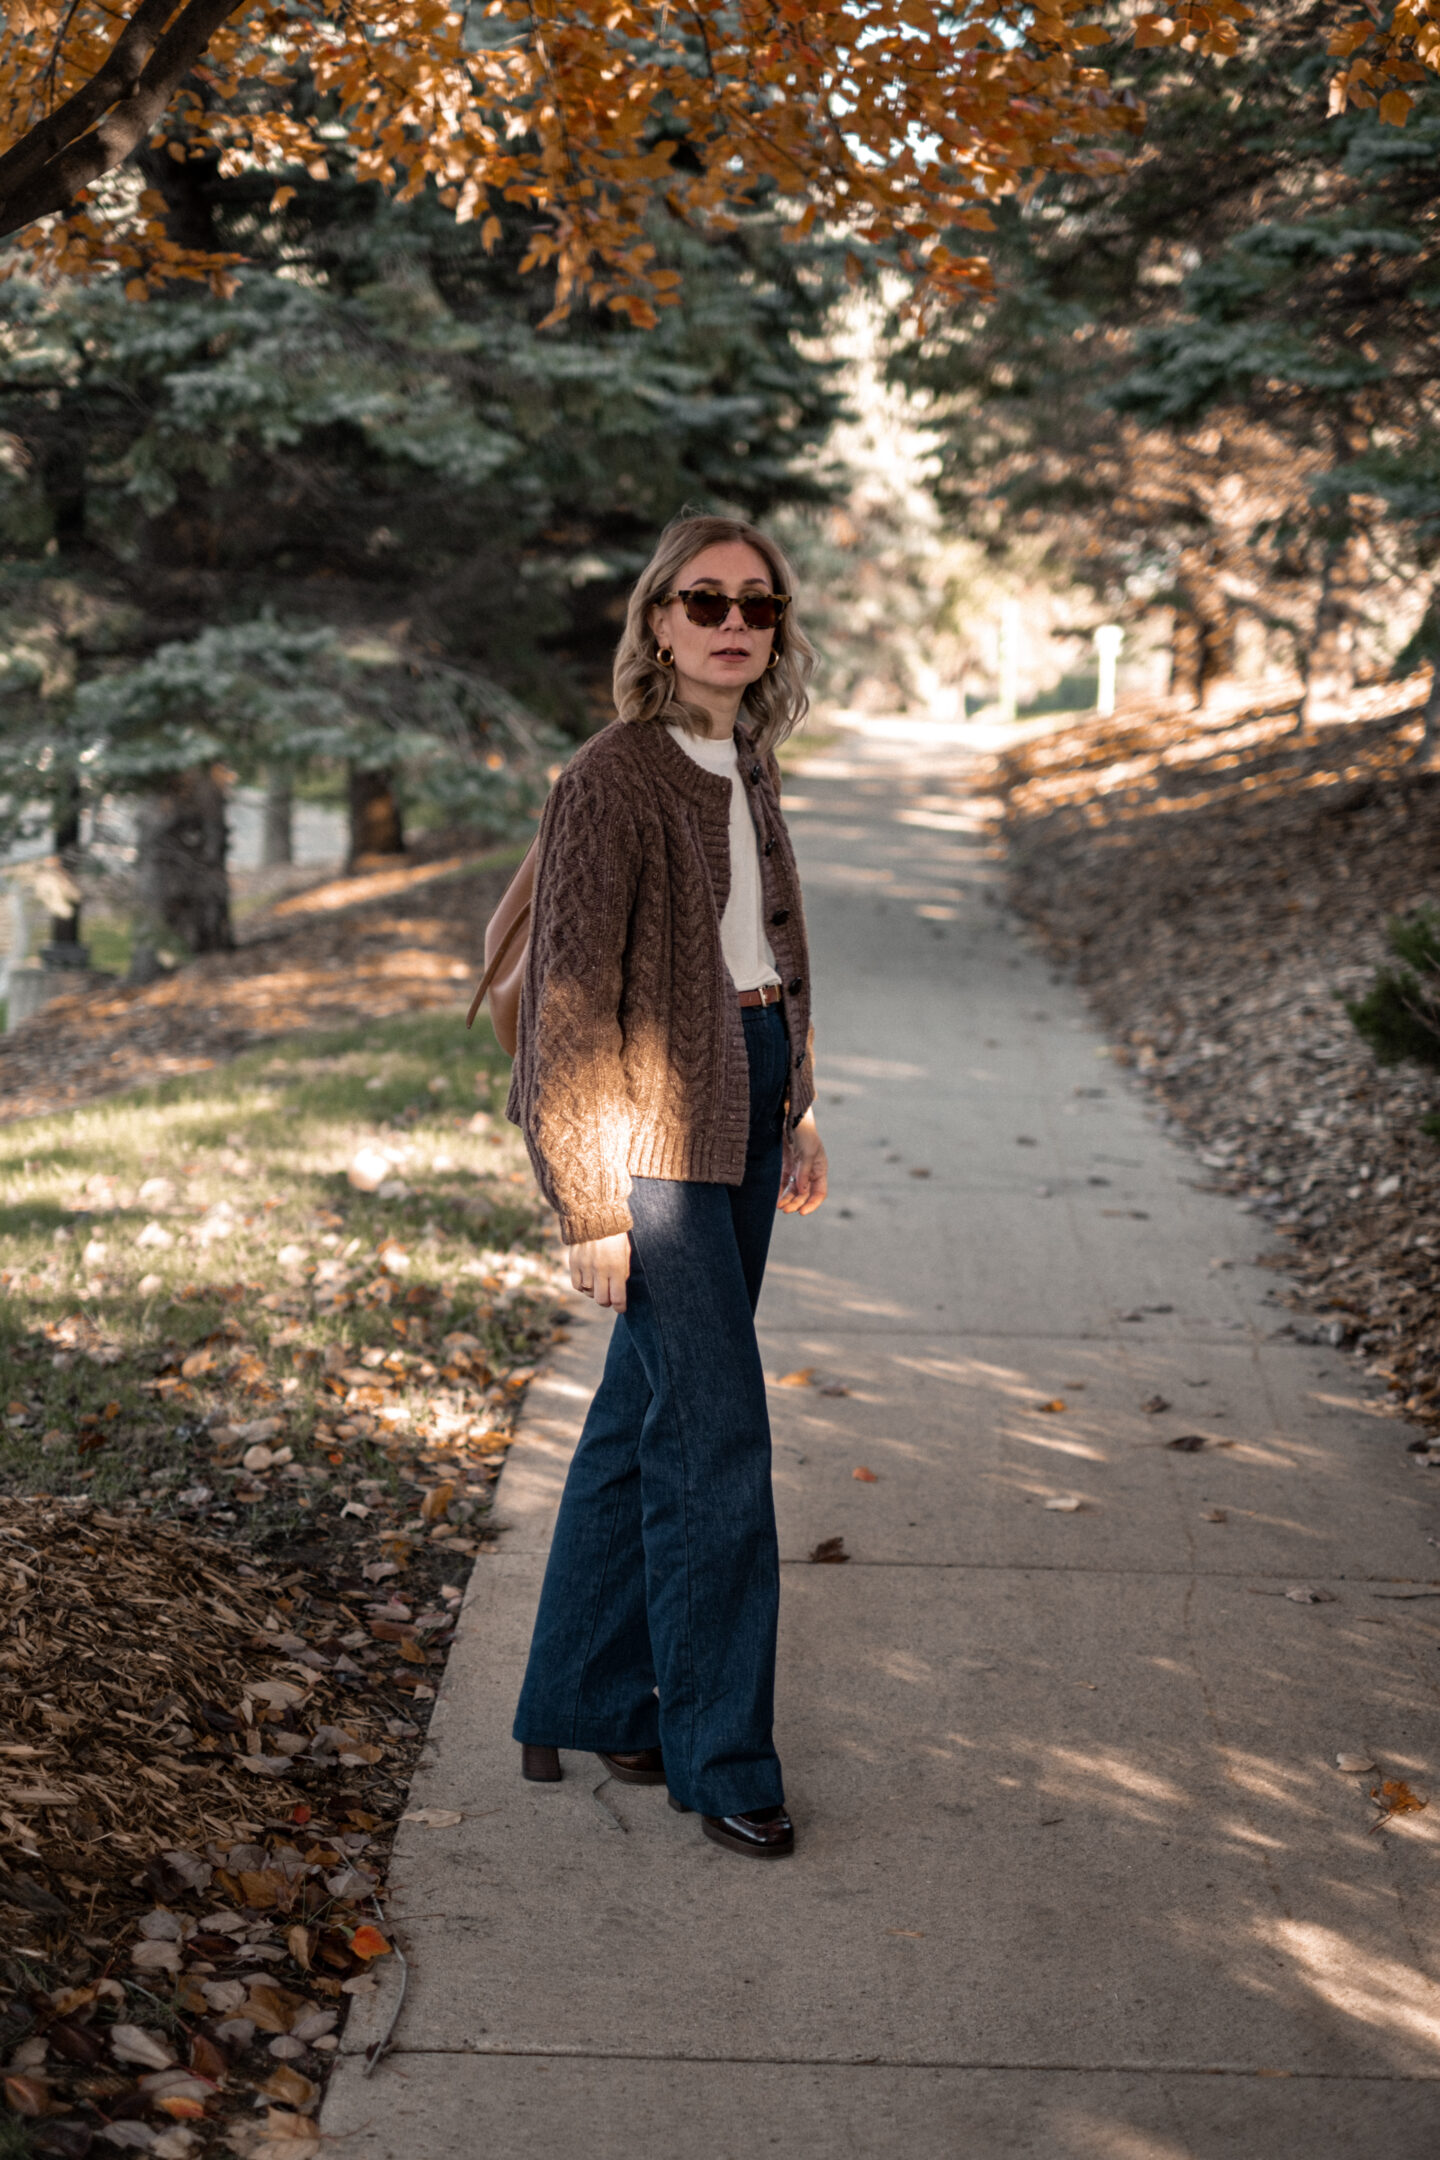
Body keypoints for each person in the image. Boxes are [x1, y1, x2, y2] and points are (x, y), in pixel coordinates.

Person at [507, 511, 828, 1859]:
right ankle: (720, 1756)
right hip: (660, 1133)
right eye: (705, 602)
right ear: (656, 620)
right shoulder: (614, 778)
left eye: (757, 604)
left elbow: (767, 947)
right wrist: (585, 1195)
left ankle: (580, 1695)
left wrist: (799, 1102)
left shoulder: (741, 758)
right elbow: (568, 1012)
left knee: (650, 1414)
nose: (733, 623)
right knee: (718, 1442)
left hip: (748, 1083)